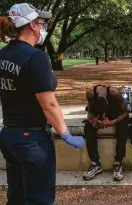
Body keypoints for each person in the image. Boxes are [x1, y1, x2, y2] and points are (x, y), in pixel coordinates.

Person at [0, 3, 84, 205]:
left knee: (17, 195)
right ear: (32, 25)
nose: (44, 27)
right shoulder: (36, 57)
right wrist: (65, 133)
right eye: (42, 23)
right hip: (33, 140)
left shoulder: (2, 55)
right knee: (39, 199)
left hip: (10, 135)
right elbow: (49, 105)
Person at [83, 85, 129, 181]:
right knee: (88, 128)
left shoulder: (115, 93)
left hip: (117, 114)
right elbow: (90, 113)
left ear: (107, 102)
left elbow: (125, 112)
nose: (103, 116)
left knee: (122, 128)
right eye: (102, 114)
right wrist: (94, 120)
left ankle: (118, 162)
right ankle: (95, 163)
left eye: (104, 114)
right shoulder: (90, 93)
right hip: (97, 115)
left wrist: (112, 122)